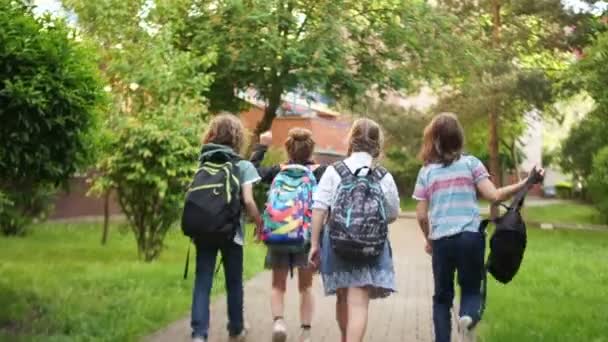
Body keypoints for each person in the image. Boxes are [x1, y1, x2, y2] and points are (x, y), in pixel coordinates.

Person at [412, 113, 544, 342]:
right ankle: (468, 317)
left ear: (433, 140)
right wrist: (526, 181)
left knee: (442, 298)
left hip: (442, 240)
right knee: (471, 289)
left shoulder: (426, 172)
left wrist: (429, 239)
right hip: (471, 238)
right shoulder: (471, 164)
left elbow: (422, 215)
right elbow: (494, 195)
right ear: (458, 138)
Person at [308, 118, 400, 342]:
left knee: (342, 297)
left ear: (351, 139)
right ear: (378, 143)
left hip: (338, 242)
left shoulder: (334, 171)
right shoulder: (383, 175)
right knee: (359, 302)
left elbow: (319, 208)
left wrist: (314, 245)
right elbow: (393, 213)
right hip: (371, 245)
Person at [190, 113, 263, 342]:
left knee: (203, 281)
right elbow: (249, 201)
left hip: (204, 230)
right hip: (232, 233)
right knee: (234, 282)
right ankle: (236, 328)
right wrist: (259, 223)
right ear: (237, 137)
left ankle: (199, 334)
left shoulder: (204, 161)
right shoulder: (242, 165)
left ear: (212, 134)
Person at [249, 128, 326, 342]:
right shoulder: (321, 172)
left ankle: (279, 323)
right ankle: (306, 332)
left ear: (288, 148)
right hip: (306, 237)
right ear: (311, 150)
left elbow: (251, 171)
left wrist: (262, 146)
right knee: (306, 287)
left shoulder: (277, 170)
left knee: (277, 284)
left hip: (279, 233)